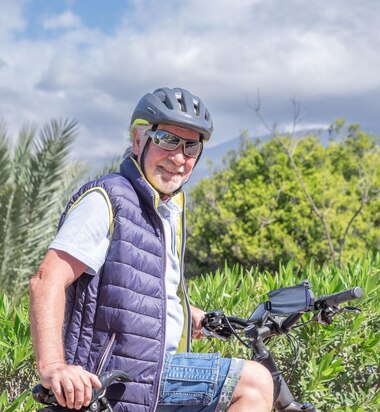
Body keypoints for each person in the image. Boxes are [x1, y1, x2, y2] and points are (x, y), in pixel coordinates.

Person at [29, 87, 274, 411]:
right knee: (254, 383)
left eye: (191, 146)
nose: (179, 157)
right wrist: (53, 367)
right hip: (114, 380)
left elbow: (134, 292)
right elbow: (46, 281)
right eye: (167, 140)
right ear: (138, 141)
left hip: (147, 374)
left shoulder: (162, 212)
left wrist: (189, 315)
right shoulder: (107, 200)